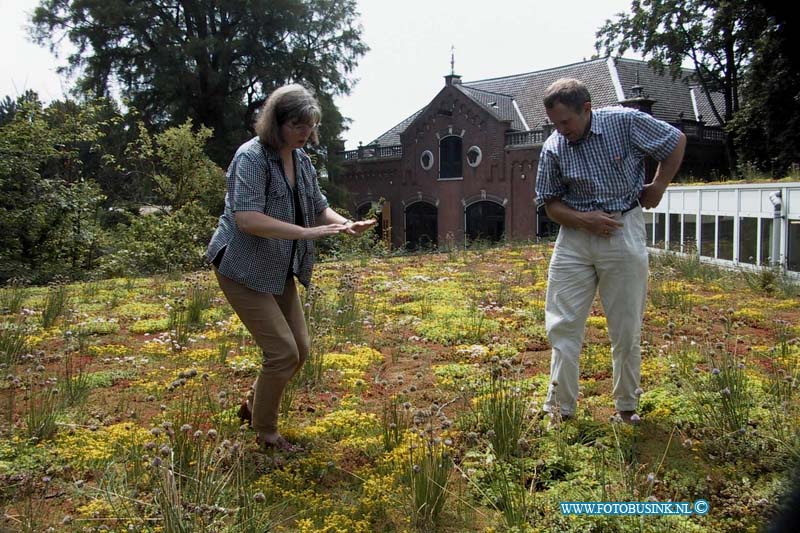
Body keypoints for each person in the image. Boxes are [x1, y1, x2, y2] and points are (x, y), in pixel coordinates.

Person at [206, 84, 376, 451]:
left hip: (278, 264)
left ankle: (253, 406)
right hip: (239, 263)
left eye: (310, 125)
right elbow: (248, 219)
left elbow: (319, 206)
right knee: (282, 352)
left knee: (299, 349)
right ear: (277, 123)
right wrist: (305, 232)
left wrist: (344, 223)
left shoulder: (301, 161)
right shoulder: (250, 158)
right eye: (298, 125)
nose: (306, 133)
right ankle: (265, 432)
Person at [535, 78, 686, 424]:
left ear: (586, 109)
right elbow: (550, 205)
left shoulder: (624, 121)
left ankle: (626, 408)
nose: (560, 130)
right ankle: (560, 410)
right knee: (562, 325)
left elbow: (675, 141)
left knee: (625, 325)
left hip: (622, 231)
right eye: (554, 123)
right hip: (574, 239)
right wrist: (583, 220)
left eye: (565, 122)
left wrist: (659, 186)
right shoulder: (553, 147)